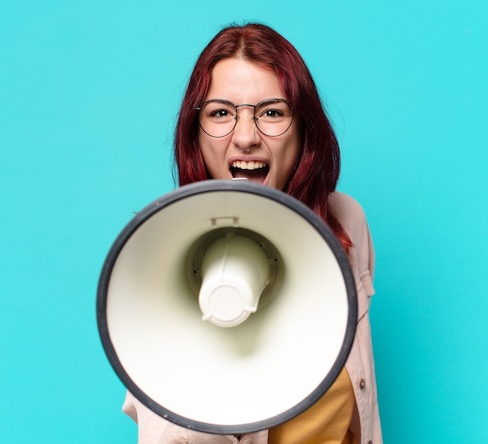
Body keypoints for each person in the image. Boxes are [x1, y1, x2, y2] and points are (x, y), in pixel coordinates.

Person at [122, 23, 382, 444]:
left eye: (272, 112)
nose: (245, 137)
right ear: (195, 133)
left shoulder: (345, 222)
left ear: (303, 131)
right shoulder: (156, 260)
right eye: (221, 113)